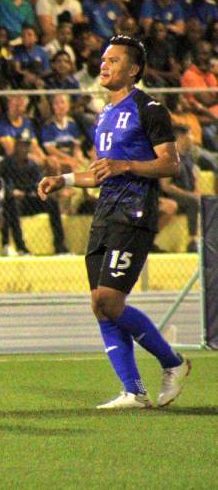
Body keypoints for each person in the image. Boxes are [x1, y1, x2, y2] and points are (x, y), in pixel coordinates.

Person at [38, 35, 191, 409]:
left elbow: (171, 163)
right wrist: (66, 180)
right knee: (99, 303)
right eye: (103, 60)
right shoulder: (104, 115)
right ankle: (133, 391)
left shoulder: (149, 108)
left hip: (134, 213)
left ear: (133, 69)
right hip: (105, 212)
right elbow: (101, 171)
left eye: (114, 60)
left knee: (109, 298)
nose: (104, 66)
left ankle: (173, 363)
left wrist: (127, 165)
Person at [2, 132, 68, 255]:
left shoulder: (33, 164)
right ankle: (21, 247)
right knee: (13, 204)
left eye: (27, 146)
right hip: (14, 200)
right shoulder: (7, 163)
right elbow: (4, 183)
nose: (25, 149)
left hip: (30, 198)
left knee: (52, 203)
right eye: (22, 145)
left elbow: (37, 184)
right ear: (16, 146)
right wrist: (13, 191)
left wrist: (30, 191)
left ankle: (60, 246)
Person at [160, 125, 201, 253]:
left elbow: (194, 179)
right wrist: (188, 195)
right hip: (169, 195)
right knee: (193, 202)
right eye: (190, 135)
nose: (193, 138)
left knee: (205, 201)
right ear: (181, 137)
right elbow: (165, 185)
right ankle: (192, 241)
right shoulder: (169, 157)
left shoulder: (187, 157)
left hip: (186, 195)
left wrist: (196, 192)